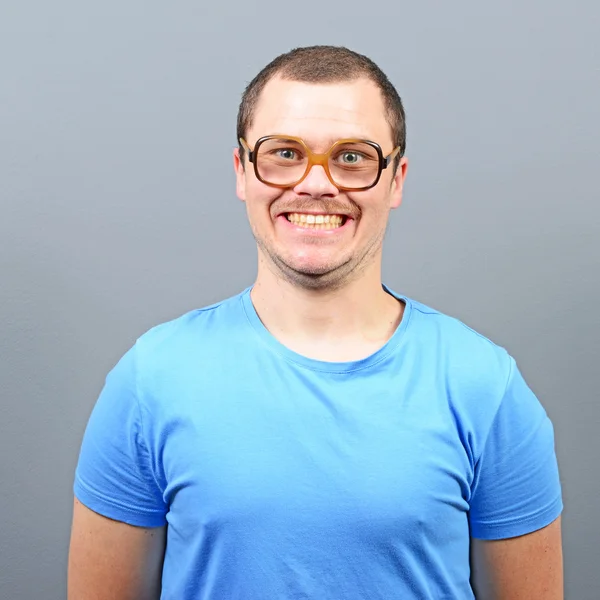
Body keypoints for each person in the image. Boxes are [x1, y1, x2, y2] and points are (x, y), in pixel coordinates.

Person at [67, 45, 564, 599]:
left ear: (396, 179)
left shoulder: (486, 386)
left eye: (353, 156)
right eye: (284, 152)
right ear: (242, 171)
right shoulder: (150, 379)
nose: (316, 183)